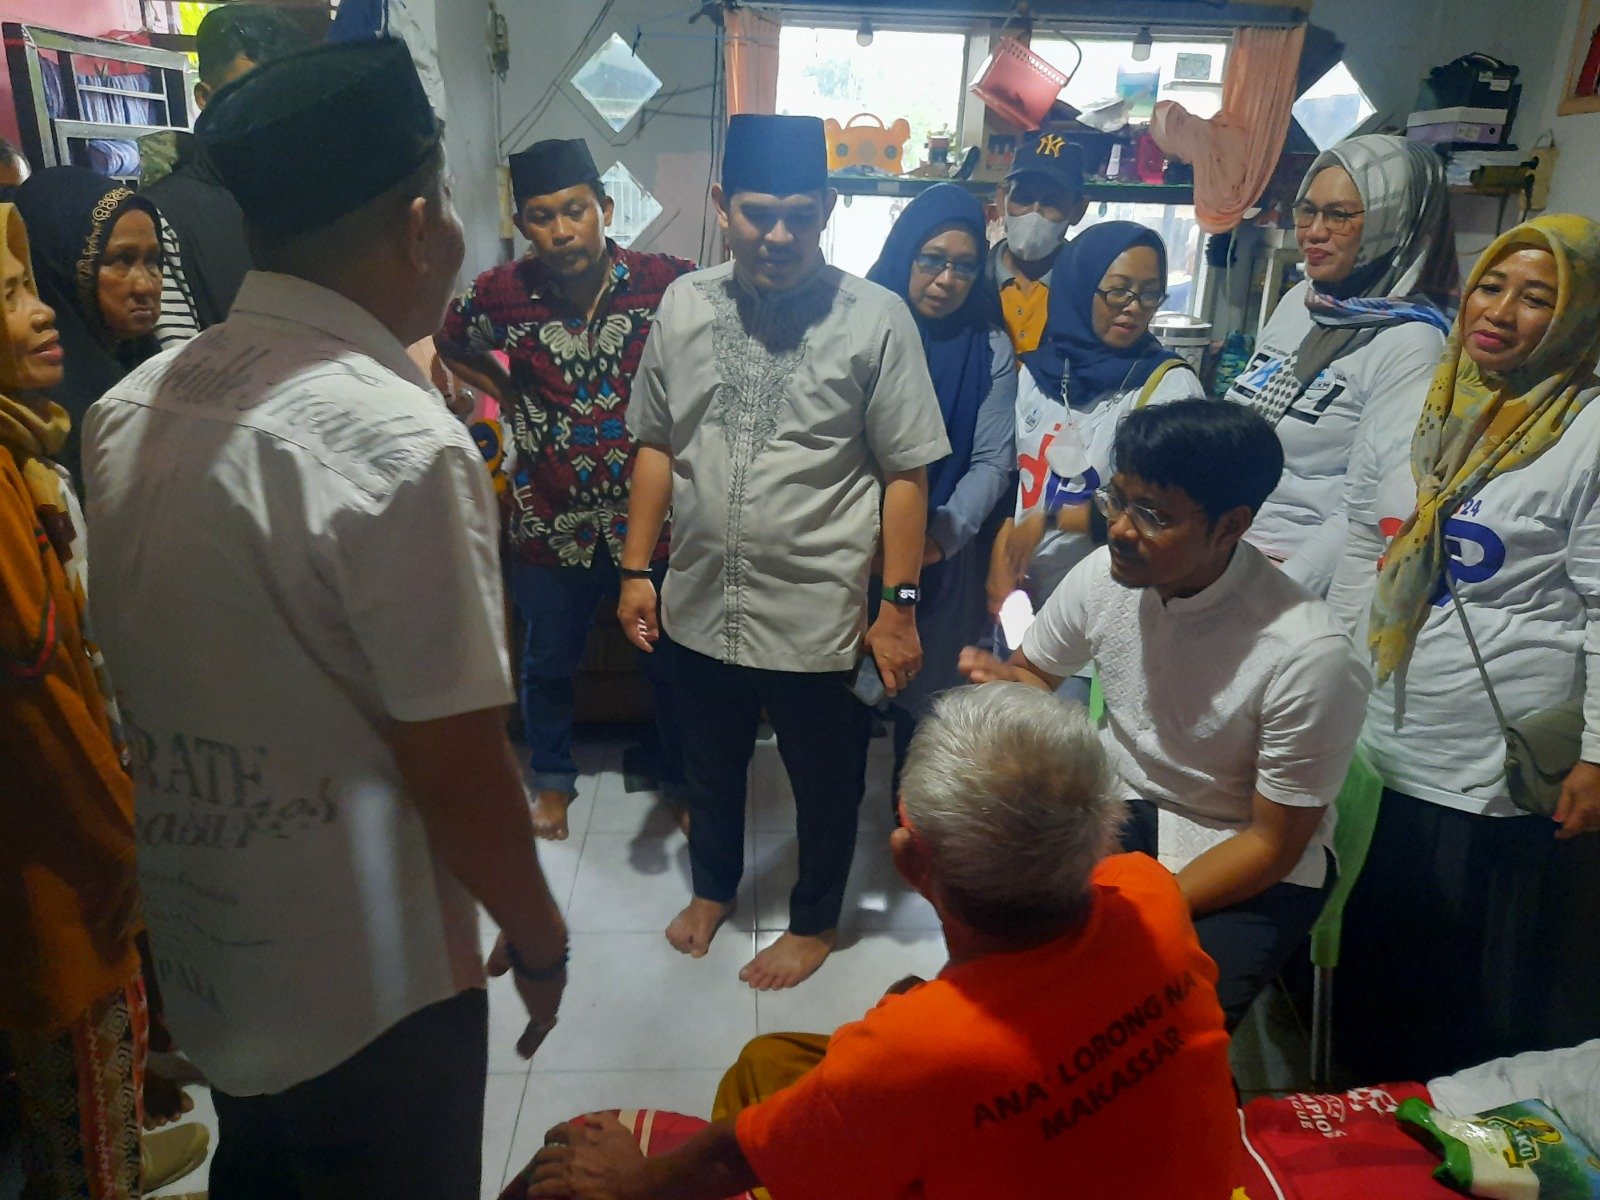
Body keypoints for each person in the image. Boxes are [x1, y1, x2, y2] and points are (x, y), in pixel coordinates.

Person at [82, 39, 568, 1197]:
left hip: (214, 963)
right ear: (420, 224)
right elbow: (455, 762)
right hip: (369, 1003)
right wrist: (539, 936)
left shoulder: (130, 406)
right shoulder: (401, 447)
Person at [521, 684, 1238, 1200]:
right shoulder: (1150, 895)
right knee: (772, 1060)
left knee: (762, 1084)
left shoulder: (913, 1049)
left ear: (912, 860)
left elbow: (728, 1160)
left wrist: (636, 1180)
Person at [617, 113, 950, 990]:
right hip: (699, 600)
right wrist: (636, 569)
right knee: (710, 768)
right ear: (722, 205)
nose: (777, 235)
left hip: (817, 612)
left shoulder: (876, 319)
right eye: (758, 213)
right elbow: (656, 443)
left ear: (828, 208)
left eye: (800, 216)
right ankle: (713, 888)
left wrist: (898, 608)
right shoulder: (684, 304)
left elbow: (906, 473)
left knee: (826, 782)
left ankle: (815, 921)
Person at [962, 399, 1369, 1030]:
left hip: (1239, 849)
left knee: (1162, 1028)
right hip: (1121, 805)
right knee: (1012, 966)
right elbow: (1034, 675)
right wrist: (1007, 688)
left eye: (1154, 515)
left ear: (1231, 526)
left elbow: (1272, 844)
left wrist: (1138, 913)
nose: (1121, 530)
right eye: (1117, 501)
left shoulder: (1307, 653)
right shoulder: (1104, 577)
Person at [1326, 214, 1600, 1081]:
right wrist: (1332, 680)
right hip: (1381, 748)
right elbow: (1361, 549)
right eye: (1492, 286)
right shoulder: (1424, 404)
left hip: (1493, 774)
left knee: (1464, 1010)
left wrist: (1598, 755)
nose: (1502, 312)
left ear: (1579, 314)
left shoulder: (1588, 431)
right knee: (1368, 982)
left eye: (1538, 298)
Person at [0, 201, 209, 1200]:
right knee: (79, 1059)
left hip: (83, 804)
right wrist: (125, 839)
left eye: (30, 288)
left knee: (91, 1065)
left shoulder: (30, 438)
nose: (40, 312)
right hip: (62, 842)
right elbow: (42, 704)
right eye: (11, 296)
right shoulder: (19, 471)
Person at [436, 136, 694, 841]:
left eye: (575, 211)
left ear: (604, 209)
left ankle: (680, 780)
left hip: (651, 523)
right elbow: (449, 339)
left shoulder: (666, 283)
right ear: (524, 224)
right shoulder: (500, 293)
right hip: (549, 519)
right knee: (548, 663)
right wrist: (504, 388)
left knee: (670, 664)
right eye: (542, 217)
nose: (561, 230)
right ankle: (552, 779)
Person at [1223, 134, 1457, 595]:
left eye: (1339, 215)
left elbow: (1364, 509)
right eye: (1307, 210)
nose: (1313, 231)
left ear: (1396, 221)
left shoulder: (1411, 342)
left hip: (1294, 576)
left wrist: (1274, 595)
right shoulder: (1302, 301)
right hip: (1225, 547)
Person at [863, 182, 1016, 779]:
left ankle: (911, 819)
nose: (946, 279)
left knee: (927, 715)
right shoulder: (860, 327)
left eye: (964, 266)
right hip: (852, 552)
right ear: (905, 252)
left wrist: (934, 542)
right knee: (841, 708)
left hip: (944, 554)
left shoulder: (989, 344)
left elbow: (992, 461)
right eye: (931, 259)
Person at [988, 221, 1206, 628]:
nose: (1134, 306)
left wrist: (1050, 520)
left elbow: (1162, 511)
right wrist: (1002, 556)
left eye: (1149, 293)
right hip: (1028, 597)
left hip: (1110, 607)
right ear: (1079, 285)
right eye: (1118, 290)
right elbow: (1016, 478)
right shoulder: (1037, 374)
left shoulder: (1169, 389)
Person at [142, 3, 307, 329]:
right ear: (204, 97)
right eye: (248, 93)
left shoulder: (314, 193)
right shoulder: (160, 217)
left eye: (283, 92)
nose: (269, 110)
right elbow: (176, 352)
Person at [12, 168, 165, 486]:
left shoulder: (153, 366)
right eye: (122, 260)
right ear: (63, 264)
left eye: (153, 260)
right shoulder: (40, 419)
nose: (145, 285)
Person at [988, 129, 1090, 357]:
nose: (1034, 213)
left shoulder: (1088, 292)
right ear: (1002, 200)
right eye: (1023, 198)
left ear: (1078, 210)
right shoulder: (970, 281)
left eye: (1052, 203)